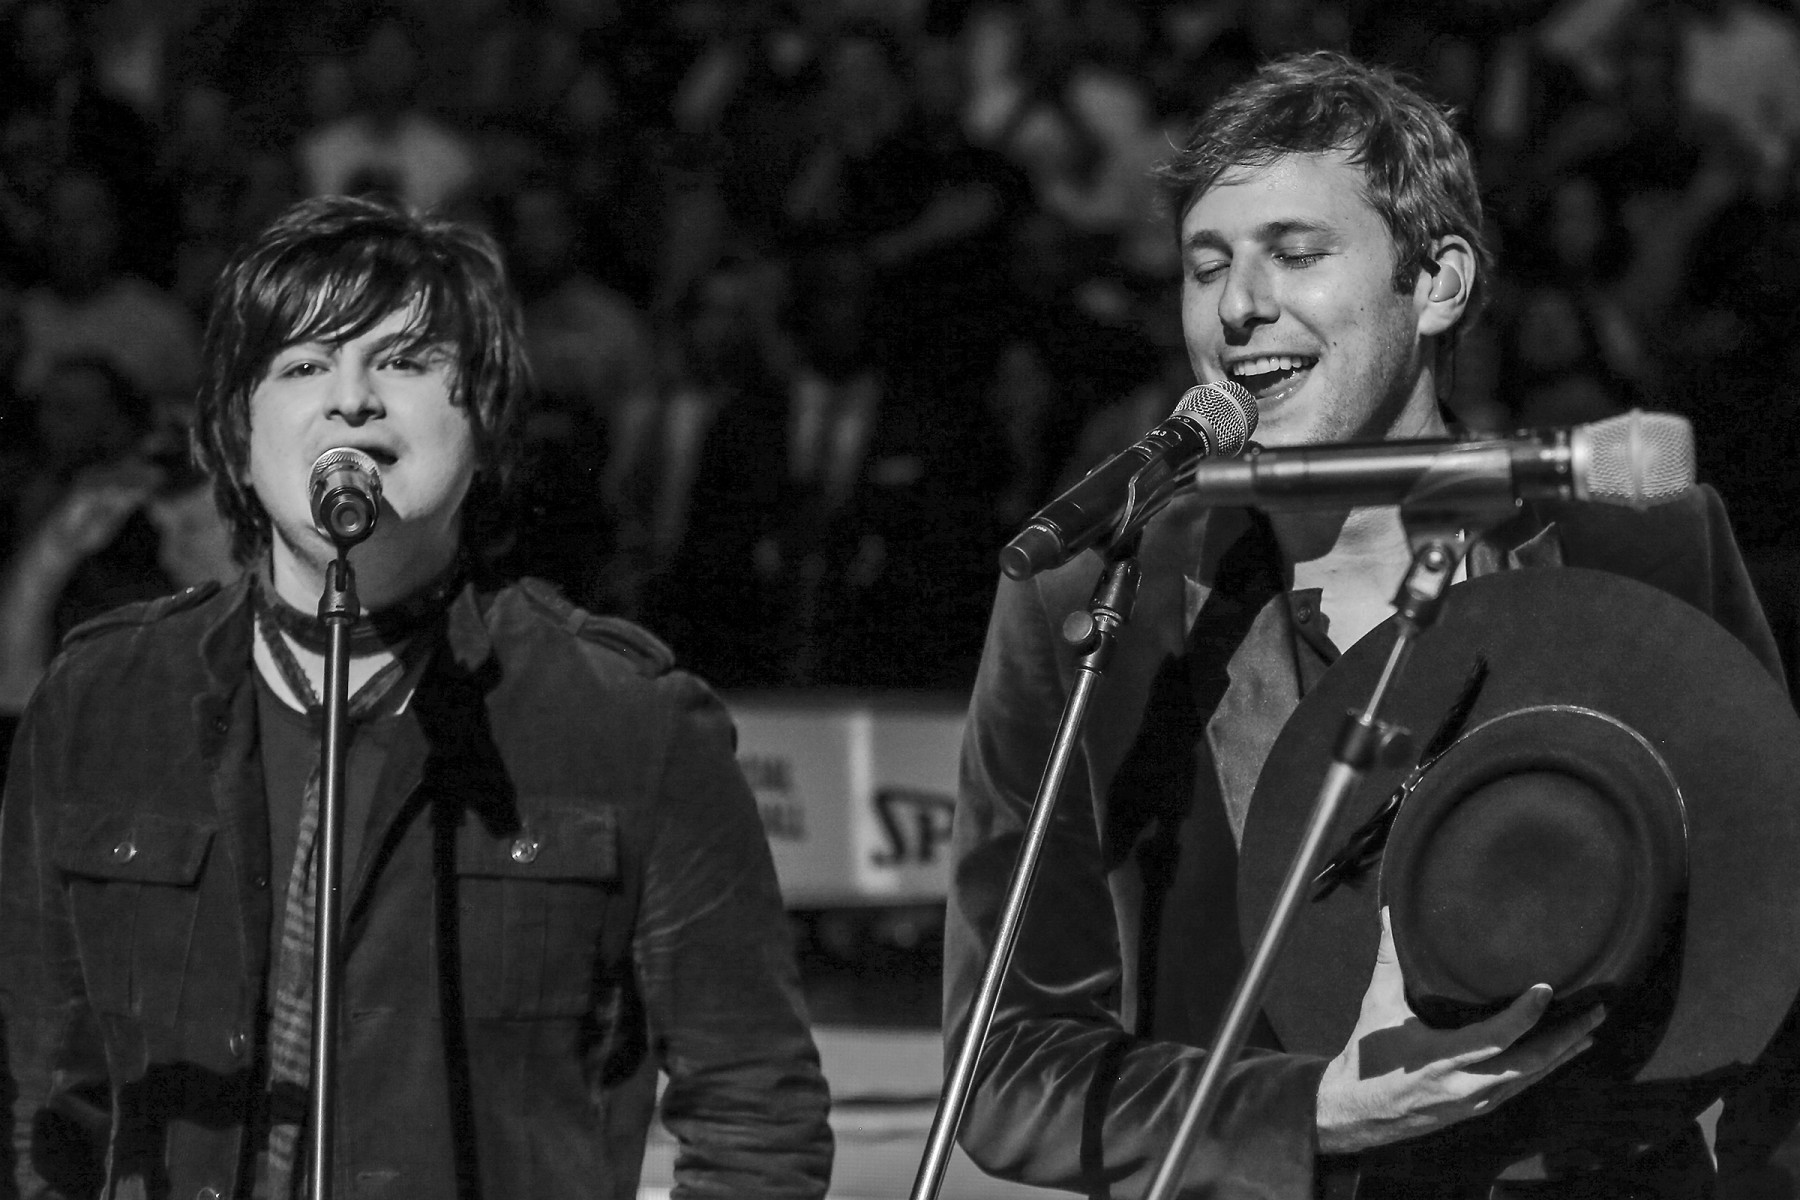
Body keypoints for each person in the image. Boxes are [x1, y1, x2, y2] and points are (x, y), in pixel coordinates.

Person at [944, 51, 1790, 1199]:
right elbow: (1005, 1070)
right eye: (1207, 265)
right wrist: (1310, 1115)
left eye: (1296, 253)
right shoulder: (1092, 601)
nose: (1238, 306)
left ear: (1437, 281)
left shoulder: (1641, 541)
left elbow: (1783, 947)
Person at [0, 195, 833, 1199]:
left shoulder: (630, 719)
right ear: (234, 429)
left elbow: (756, 1113)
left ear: (483, 420)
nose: (353, 400)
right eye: (303, 366)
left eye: (402, 361)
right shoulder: (99, 705)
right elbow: (39, 1101)